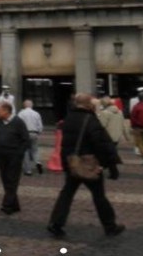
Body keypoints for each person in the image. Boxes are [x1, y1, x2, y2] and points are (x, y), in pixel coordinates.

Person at [47, 93, 124, 239]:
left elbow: (64, 144)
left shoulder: (69, 119)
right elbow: (101, 143)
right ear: (89, 104)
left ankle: (56, 223)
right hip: (89, 163)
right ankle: (110, 225)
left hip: (72, 162)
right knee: (99, 196)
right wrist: (110, 164)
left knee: (67, 194)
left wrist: (65, 163)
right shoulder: (90, 119)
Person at [0, 101, 30, 214]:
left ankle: (7, 205)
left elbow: (25, 139)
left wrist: (19, 153)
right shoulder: (0, 122)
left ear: (6, 111)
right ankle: (15, 205)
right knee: (5, 180)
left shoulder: (18, 122)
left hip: (14, 155)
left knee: (12, 180)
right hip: (2, 155)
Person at [17, 99, 44, 175]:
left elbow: (18, 125)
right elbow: (40, 125)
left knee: (25, 151)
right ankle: (38, 162)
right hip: (34, 133)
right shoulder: (36, 114)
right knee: (35, 150)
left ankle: (28, 170)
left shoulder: (21, 114)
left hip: (25, 133)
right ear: (31, 105)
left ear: (24, 105)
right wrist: (39, 132)